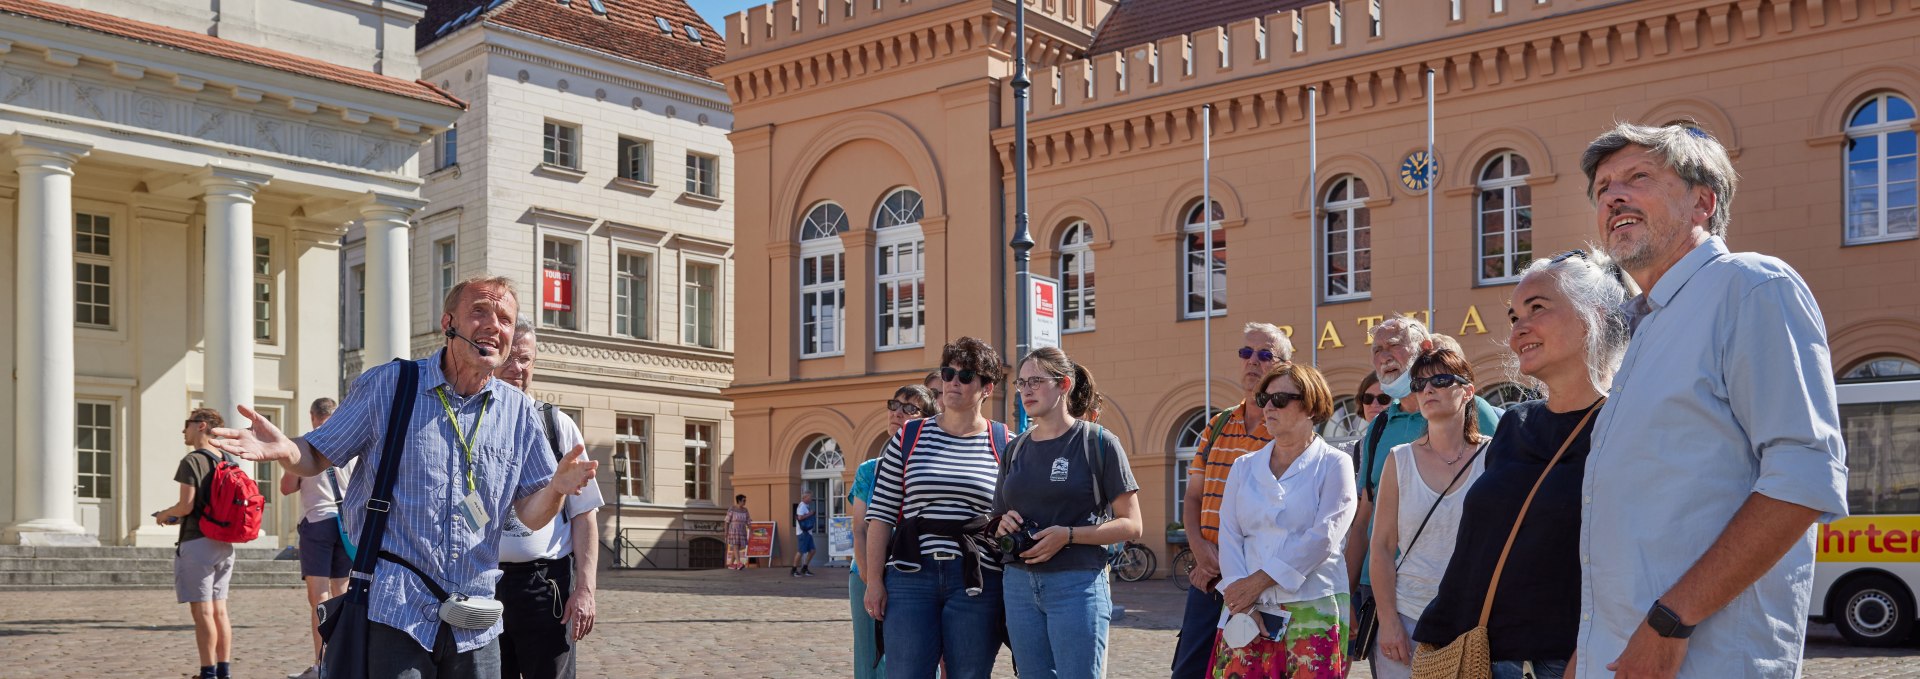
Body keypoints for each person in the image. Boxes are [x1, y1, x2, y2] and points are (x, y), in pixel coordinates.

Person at [209, 275, 599, 677]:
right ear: (449, 322)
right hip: (396, 610)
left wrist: (555, 488)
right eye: (479, 311)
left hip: (476, 621)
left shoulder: (518, 412)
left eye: (505, 318)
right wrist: (286, 449)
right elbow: (316, 454)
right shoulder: (391, 385)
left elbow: (532, 515)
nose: (494, 325)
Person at [1575, 123, 1848, 678]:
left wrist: (1672, 621)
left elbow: (1803, 475)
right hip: (1620, 656)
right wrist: (1591, 645)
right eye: (1602, 188)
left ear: (1703, 201)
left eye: (1638, 177)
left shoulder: (1749, 286)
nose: (1613, 196)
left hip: (1707, 658)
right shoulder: (1646, 327)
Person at [1414, 250, 1630, 679]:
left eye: (1537, 309)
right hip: (1480, 656)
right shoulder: (1516, 423)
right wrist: (1439, 632)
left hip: (1563, 661)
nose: (1518, 331)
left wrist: (1584, 659)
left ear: (1594, 317)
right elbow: (1475, 548)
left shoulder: (1624, 425)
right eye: (1514, 317)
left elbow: (1630, 563)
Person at [1341, 315, 1502, 671]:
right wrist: (1346, 595)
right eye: (1377, 349)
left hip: (1468, 601)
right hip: (1386, 592)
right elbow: (1363, 522)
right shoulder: (1380, 427)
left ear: (1425, 348)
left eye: (1393, 345)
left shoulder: (1483, 419)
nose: (1383, 356)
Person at [864, 336, 1013, 679]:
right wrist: (875, 581)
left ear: (986, 387)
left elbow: (1012, 514)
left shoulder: (1004, 442)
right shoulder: (909, 436)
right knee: (905, 673)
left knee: (970, 674)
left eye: (965, 377)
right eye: (948, 374)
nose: (952, 383)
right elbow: (882, 515)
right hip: (910, 575)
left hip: (976, 579)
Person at [993, 347, 1142, 679]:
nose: (1026, 390)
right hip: (1018, 585)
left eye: (1036, 381)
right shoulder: (1015, 449)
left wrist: (1069, 535)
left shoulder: (1098, 442)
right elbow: (997, 518)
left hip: (1077, 583)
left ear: (1064, 385)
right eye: (1021, 383)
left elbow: (1132, 525)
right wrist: (1002, 524)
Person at [1212, 362, 1357, 677]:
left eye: (1279, 399)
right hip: (1245, 607)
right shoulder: (1243, 466)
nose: (1268, 407)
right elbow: (1229, 534)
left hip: (1311, 603)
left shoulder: (1335, 463)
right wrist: (1242, 595)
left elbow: (1324, 537)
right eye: (1264, 398)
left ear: (1310, 405)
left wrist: (1258, 582)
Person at [1171, 322, 1291, 679]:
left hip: (1257, 582)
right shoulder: (1218, 424)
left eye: (1265, 354)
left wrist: (1234, 564)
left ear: (1284, 365)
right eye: (1246, 353)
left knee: (1252, 669)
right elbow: (1193, 497)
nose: (1253, 361)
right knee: (1189, 669)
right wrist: (1200, 550)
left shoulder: (1286, 428)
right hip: (1209, 577)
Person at [1367, 349, 1492, 679]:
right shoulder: (1400, 459)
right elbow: (1380, 546)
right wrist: (1389, 619)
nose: (1427, 390)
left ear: (1467, 391)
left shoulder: (1493, 455)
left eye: (1440, 380)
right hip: (1409, 620)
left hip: (1474, 623)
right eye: (1420, 383)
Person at [494, 318, 606, 679]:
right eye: (509, 358)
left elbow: (584, 515)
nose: (517, 368)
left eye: (525, 360)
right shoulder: (470, 422)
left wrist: (585, 589)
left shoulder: (557, 425)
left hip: (545, 586)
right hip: (481, 584)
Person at [848, 384, 936, 679]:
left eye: (909, 408)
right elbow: (860, 527)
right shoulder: (869, 469)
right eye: (894, 405)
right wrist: (868, 574)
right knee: (870, 654)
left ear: (927, 419)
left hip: (915, 570)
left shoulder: (931, 467)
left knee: (917, 652)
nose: (897, 413)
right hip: (867, 570)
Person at [154, 407, 235, 679]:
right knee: (220, 610)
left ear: (201, 426)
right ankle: (223, 670)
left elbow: (186, 506)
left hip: (197, 543)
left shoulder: (192, 461)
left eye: (187, 424)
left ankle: (207, 672)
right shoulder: (228, 460)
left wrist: (166, 514)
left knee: (202, 612)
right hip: (224, 543)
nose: (183, 430)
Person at [280, 397, 356, 679]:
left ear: (312, 416)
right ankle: (347, 661)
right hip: (347, 525)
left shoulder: (306, 443)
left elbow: (287, 487)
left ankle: (321, 664)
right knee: (345, 594)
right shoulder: (350, 442)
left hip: (317, 523)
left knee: (320, 598)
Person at [793, 490, 818, 577]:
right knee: (801, 551)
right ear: (805, 497)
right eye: (810, 497)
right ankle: (794, 569)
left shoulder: (806, 506)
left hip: (808, 532)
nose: (811, 498)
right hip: (803, 532)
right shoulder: (802, 506)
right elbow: (799, 517)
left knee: (812, 550)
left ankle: (805, 568)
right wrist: (810, 514)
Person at [725, 495, 752, 570]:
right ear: (739, 501)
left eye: (745, 500)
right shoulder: (732, 508)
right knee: (736, 546)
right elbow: (727, 521)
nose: (745, 502)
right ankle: (739, 563)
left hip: (742, 530)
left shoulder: (745, 510)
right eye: (744, 500)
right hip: (734, 529)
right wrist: (726, 531)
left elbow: (748, 520)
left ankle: (731, 564)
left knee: (739, 546)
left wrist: (751, 530)